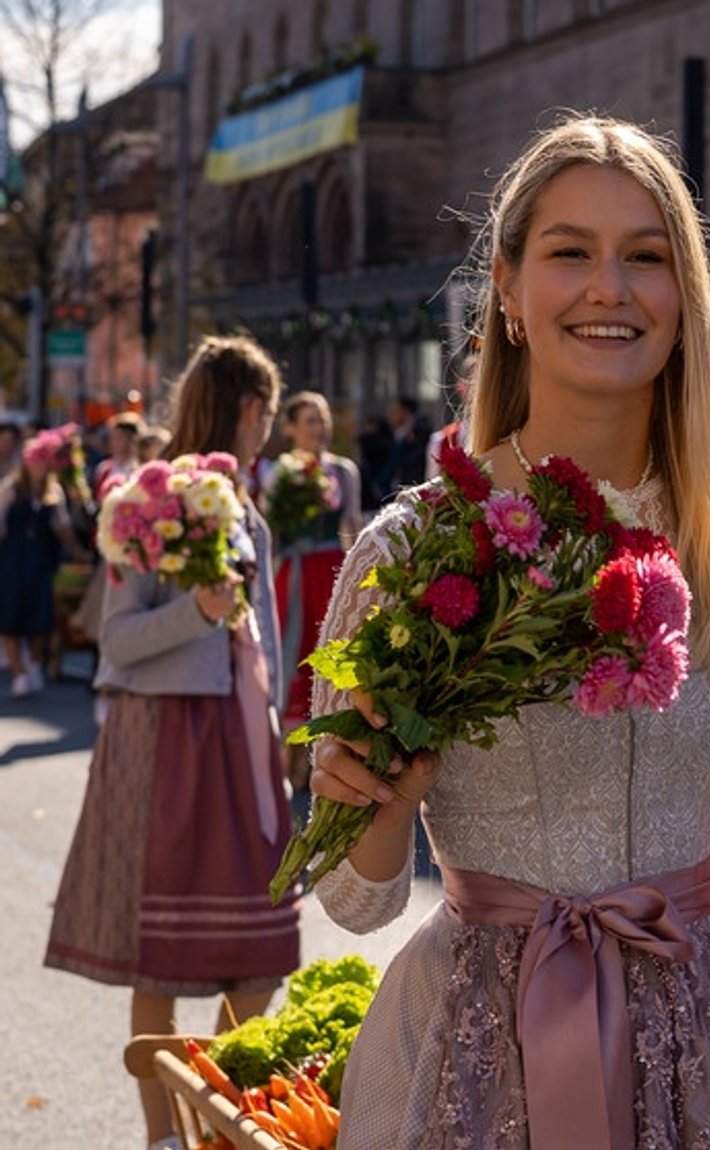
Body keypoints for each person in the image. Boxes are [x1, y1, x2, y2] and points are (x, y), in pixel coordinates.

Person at [304, 117, 710, 1149]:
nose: (608, 288)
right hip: (478, 1043)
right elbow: (351, 899)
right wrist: (379, 807)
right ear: (508, 290)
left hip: (704, 1046)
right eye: (570, 251)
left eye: (646, 256)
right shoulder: (412, 549)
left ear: (684, 300)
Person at [43, 336, 297, 1150]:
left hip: (237, 737)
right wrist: (198, 612)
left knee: (254, 956)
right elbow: (117, 642)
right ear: (250, 408)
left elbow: (267, 637)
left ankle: (215, 1121)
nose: (271, 431)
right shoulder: (146, 501)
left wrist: (283, 731)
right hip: (166, 742)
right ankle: (162, 1139)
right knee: (163, 954)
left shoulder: (248, 507)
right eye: (267, 412)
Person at [263, 391, 365, 785]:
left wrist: (356, 581)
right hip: (296, 574)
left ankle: (326, 751)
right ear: (290, 428)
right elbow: (273, 535)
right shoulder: (279, 474)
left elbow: (353, 527)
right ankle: (290, 754)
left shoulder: (343, 471)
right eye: (310, 420)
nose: (319, 428)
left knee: (331, 656)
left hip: (332, 573)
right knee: (297, 654)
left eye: (322, 419)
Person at [0, 430, 77, 697]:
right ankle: (18, 672)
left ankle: (33, 664)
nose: (38, 467)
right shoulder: (11, 488)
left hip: (40, 561)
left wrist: (77, 551)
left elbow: (63, 527)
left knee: (40, 618)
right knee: (9, 618)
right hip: (11, 561)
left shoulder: (53, 492)